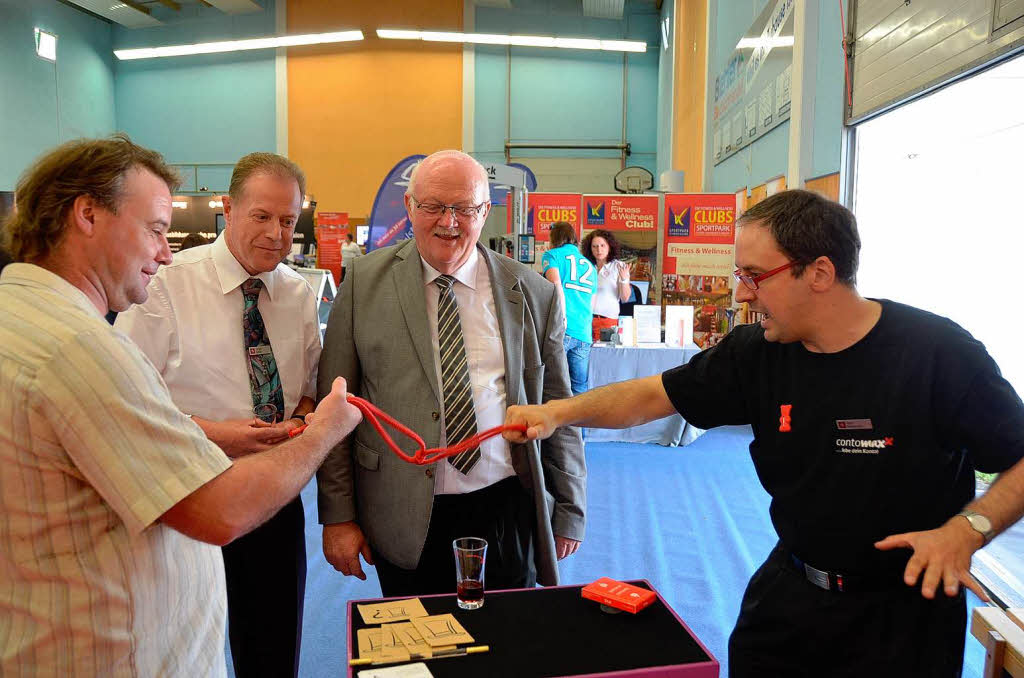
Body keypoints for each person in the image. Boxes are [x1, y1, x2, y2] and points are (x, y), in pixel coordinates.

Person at [505, 189, 1024, 678]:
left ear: (819, 272)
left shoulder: (938, 353)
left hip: (905, 615)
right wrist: (557, 412)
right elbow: (650, 396)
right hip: (790, 597)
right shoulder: (757, 351)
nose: (740, 291)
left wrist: (968, 529)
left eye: (755, 275)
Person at [0, 135, 362, 676]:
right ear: (87, 215)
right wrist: (321, 432)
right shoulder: (87, 341)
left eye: (288, 221)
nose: (164, 250)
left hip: (259, 501)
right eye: (154, 229)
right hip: (181, 532)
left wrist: (296, 424)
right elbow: (216, 509)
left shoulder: (26, 316)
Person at [317, 150, 586, 597]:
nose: (449, 221)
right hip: (399, 510)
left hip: (505, 504)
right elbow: (337, 407)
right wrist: (338, 516)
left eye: (464, 208)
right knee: (417, 653)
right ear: (409, 208)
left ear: (485, 212)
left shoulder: (533, 293)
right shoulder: (364, 284)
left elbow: (559, 409)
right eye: (433, 207)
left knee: (504, 650)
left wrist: (571, 507)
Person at [115, 152, 320, 678]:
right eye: (262, 216)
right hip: (189, 502)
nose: (277, 233)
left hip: (274, 501)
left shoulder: (297, 294)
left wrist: (300, 417)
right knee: (184, 654)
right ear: (228, 209)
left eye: (288, 220)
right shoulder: (163, 285)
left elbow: (306, 391)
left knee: (274, 651)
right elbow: (127, 407)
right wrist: (219, 436)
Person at [541, 221, 595, 395]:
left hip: (563, 329)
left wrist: (562, 318)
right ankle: (578, 423)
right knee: (580, 388)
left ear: (554, 237)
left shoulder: (552, 256)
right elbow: (592, 301)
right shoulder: (589, 264)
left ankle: (557, 423)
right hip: (584, 332)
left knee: (554, 386)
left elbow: (556, 285)